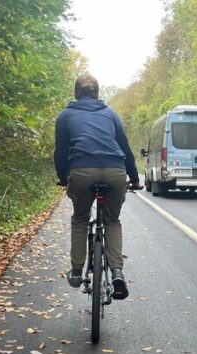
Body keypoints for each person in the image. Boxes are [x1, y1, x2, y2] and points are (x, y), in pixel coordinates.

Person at [54, 73, 143, 299]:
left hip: (81, 172)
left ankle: (76, 271)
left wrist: (64, 179)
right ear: (97, 93)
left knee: (80, 218)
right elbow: (126, 148)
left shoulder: (66, 116)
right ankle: (117, 273)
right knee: (112, 220)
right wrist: (134, 178)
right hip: (114, 171)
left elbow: (61, 152)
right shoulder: (111, 114)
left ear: (76, 93)